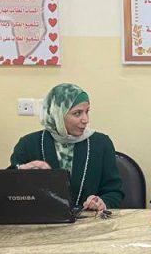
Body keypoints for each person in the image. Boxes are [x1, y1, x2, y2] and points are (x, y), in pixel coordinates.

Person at [10, 83, 123, 211]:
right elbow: (10, 191)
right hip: (40, 219)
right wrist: (20, 172)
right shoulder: (28, 144)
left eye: (87, 112)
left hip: (89, 221)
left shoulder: (101, 143)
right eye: (77, 113)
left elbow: (114, 191)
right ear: (57, 114)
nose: (85, 120)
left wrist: (102, 202)